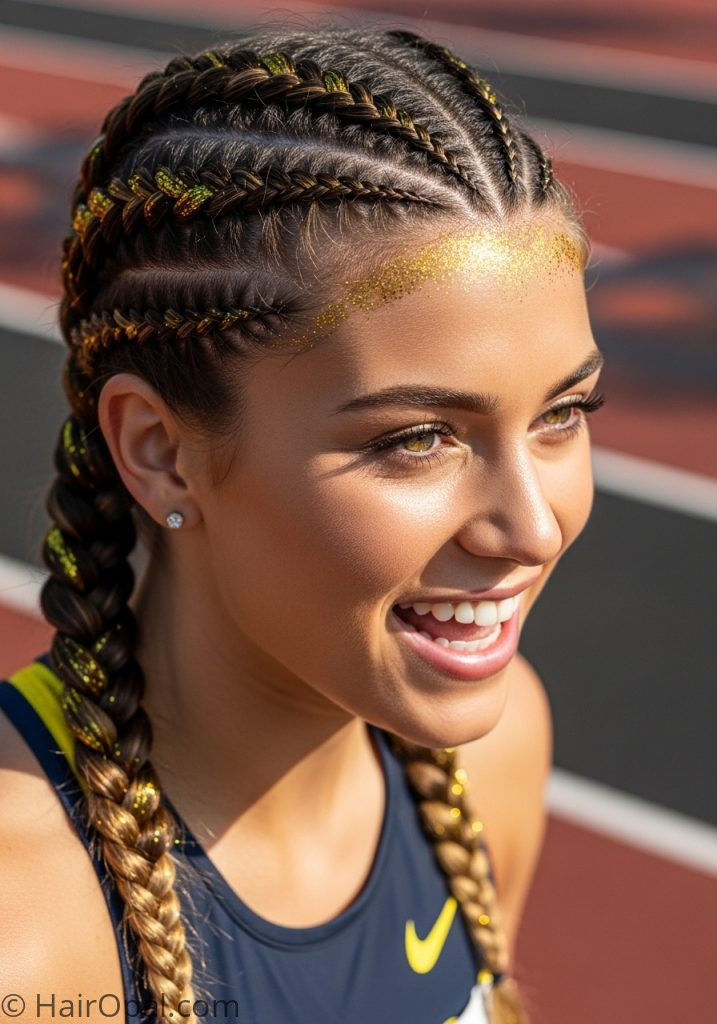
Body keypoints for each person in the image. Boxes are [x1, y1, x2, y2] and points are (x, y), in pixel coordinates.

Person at [0, 24, 605, 1024]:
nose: (532, 527)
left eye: (562, 413)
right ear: (157, 449)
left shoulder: (490, 755)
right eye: (419, 437)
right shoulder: (28, 936)